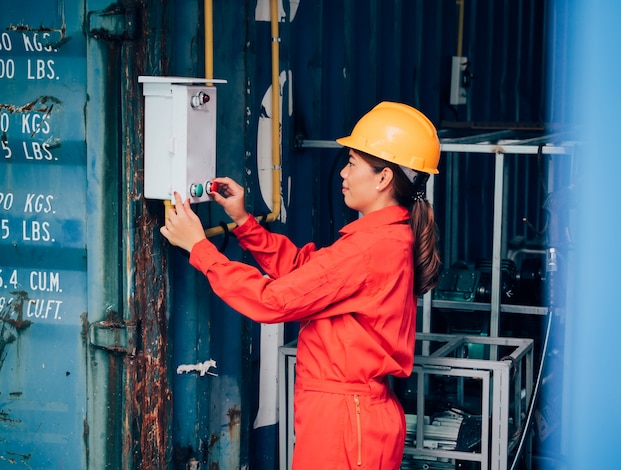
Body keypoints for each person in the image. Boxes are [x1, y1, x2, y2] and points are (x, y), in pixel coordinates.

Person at [160, 101, 441, 469]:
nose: (343, 173)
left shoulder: (367, 249)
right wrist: (245, 223)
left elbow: (272, 301)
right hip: (358, 416)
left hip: (344, 421)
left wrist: (200, 248)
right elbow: (307, 272)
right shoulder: (389, 238)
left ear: (384, 178)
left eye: (352, 163)